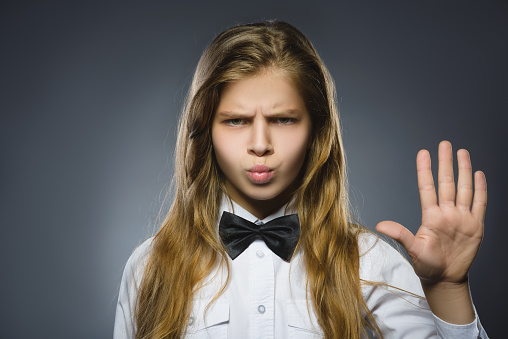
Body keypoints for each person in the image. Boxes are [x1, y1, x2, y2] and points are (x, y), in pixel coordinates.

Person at [113, 21, 488, 338]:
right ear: (205, 130)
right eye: (236, 120)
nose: (260, 145)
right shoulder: (150, 267)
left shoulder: (371, 265)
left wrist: (447, 289)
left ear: (317, 131)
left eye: (283, 119)